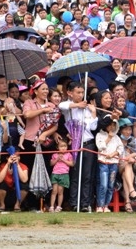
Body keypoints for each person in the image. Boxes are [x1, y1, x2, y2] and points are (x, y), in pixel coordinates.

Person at [59, 82, 98, 212]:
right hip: (75, 144)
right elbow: (61, 105)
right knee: (75, 175)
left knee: (87, 176)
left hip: (88, 143)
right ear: (70, 93)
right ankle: (74, 202)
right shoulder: (68, 107)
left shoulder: (87, 108)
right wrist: (77, 105)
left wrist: (93, 113)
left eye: (82, 93)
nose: (81, 95)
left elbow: (92, 127)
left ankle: (85, 203)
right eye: (78, 92)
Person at [95, 117, 123, 212]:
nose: (112, 127)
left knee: (111, 185)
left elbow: (120, 148)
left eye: (114, 125)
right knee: (103, 185)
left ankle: (106, 205)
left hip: (114, 163)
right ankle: (100, 205)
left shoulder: (117, 137)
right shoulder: (99, 135)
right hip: (103, 163)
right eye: (110, 125)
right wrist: (109, 138)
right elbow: (100, 146)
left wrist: (114, 154)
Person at [49, 139, 73, 212]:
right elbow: (51, 164)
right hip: (55, 173)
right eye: (61, 146)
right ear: (57, 147)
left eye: (65, 146)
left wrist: (63, 160)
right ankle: (52, 206)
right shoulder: (54, 154)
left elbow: (71, 164)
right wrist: (57, 159)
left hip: (64, 174)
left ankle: (59, 206)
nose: (63, 148)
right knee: (54, 191)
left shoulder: (69, 154)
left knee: (60, 191)